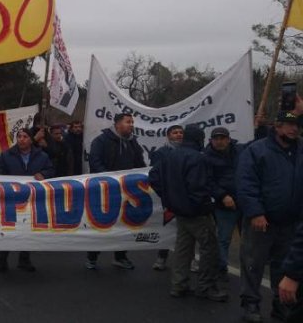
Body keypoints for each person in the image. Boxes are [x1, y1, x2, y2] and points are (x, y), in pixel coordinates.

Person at [149, 124, 228, 302]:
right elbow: (198, 187)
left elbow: (153, 177)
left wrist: (169, 198)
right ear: (198, 139)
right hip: (197, 212)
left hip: (178, 211)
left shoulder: (169, 156)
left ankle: (179, 285)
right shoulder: (198, 159)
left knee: (183, 249)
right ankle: (205, 287)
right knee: (209, 248)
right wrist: (202, 205)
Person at [237, 111, 303, 322]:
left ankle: (280, 302)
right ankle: (251, 303)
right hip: (261, 222)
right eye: (289, 124)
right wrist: (255, 212)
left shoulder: (300, 150)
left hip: (290, 222)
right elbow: (246, 183)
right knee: (253, 264)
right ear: (277, 126)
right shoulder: (257, 150)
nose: (294, 129)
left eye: (297, 125)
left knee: (284, 265)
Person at [0, 128, 54, 273]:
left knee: (27, 229)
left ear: (31, 140)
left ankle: (24, 260)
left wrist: (43, 174)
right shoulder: (7, 155)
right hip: (11, 199)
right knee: (7, 229)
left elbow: (51, 170)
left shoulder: (42, 156)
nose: (21, 139)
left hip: (32, 200)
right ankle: (1, 260)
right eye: (19, 136)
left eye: (25, 136)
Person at [86, 113, 144, 270]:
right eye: (128, 122)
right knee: (101, 224)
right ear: (118, 124)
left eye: (132, 122)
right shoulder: (101, 141)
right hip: (105, 190)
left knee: (123, 225)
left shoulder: (133, 143)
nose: (131, 125)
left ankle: (120, 256)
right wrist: (110, 180)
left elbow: (140, 164)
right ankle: (92, 257)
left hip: (126, 191)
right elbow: (95, 161)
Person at [204, 126, 245, 280]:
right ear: (211, 140)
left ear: (228, 139)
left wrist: (260, 127)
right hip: (224, 205)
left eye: (222, 138)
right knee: (224, 238)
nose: (219, 141)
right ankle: (221, 268)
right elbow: (208, 181)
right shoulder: (206, 157)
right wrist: (222, 196)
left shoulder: (240, 150)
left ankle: (250, 268)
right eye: (216, 139)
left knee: (249, 239)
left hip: (244, 202)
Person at [148, 124, 183, 271]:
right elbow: (154, 176)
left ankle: (191, 259)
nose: (179, 135)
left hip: (186, 197)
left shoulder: (189, 151)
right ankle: (162, 258)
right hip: (169, 198)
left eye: (181, 133)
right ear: (168, 136)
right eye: (175, 133)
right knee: (168, 228)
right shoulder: (161, 153)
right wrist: (164, 193)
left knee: (187, 230)